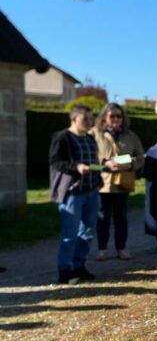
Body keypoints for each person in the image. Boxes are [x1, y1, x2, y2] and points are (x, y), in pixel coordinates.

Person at [48, 104, 105, 284]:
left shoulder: (89, 138)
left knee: (88, 231)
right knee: (70, 233)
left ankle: (79, 265)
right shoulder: (62, 137)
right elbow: (56, 161)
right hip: (72, 192)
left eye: (91, 118)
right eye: (85, 119)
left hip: (91, 190)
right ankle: (65, 270)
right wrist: (76, 167)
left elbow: (93, 161)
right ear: (74, 119)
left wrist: (102, 168)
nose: (89, 122)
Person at [91, 102, 146, 261]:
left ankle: (121, 248)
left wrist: (130, 164)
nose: (116, 119)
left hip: (123, 182)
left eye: (119, 116)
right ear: (104, 117)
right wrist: (104, 164)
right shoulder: (95, 133)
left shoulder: (131, 135)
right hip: (102, 184)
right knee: (103, 217)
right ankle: (102, 249)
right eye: (112, 116)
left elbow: (140, 157)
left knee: (121, 217)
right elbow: (88, 158)